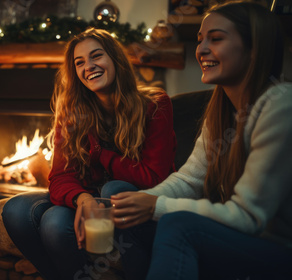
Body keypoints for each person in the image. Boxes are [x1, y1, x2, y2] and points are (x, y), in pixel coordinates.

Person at [110, 1, 292, 279]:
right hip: (239, 240)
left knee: (179, 225)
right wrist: (136, 202)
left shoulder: (281, 104)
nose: (201, 49)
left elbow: (248, 216)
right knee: (117, 196)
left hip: (277, 249)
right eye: (200, 39)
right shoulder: (222, 111)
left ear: (254, 49)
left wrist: (155, 206)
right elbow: (188, 181)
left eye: (216, 38)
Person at [2, 28, 177, 279]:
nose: (89, 66)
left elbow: (154, 176)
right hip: (90, 196)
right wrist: (82, 199)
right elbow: (60, 177)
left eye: (96, 56)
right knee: (16, 209)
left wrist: (102, 154)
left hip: (138, 199)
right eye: (80, 62)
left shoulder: (155, 104)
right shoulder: (72, 114)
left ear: (115, 59)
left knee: (112, 189)